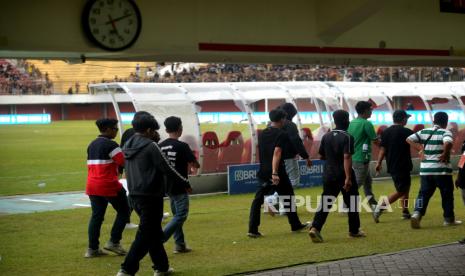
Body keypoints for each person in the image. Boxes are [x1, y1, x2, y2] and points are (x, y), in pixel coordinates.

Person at [117, 113, 173, 276]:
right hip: (150, 196)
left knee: (153, 232)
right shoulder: (151, 146)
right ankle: (127, 269)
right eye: (154, 130)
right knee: (146, 234)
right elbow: (166, 168)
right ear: (149, 130)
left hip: (134, 195)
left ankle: (162, 267)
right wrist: (184, 182)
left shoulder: (127, 144)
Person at [248, 109, 309, 238]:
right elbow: (277, 152)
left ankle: (294, 224)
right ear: (282, 119)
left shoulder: (263, 133)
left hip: (264, 170)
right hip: (276, 172)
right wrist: (275, 173)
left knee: (264, 199)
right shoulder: (282, 134)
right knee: (286, 197)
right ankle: (294, 224)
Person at [308, 110, 364, 243]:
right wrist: (348, 178)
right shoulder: (347, 137)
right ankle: (354, 231)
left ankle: (315, 228)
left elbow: (321, 156)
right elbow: (347, 157)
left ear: (334, 121)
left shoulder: (326, 136)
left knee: (326, 202)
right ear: (347, 121)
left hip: (328, 173)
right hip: (343, 174)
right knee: (352, 202)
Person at [407, 112, 462, 229]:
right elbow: (448, 142)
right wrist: (445, 152)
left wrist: (420, 149)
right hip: (442, 171)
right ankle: (448, 220)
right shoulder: (446, 132)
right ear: (446, 122)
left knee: (423, 194)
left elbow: (408, 139)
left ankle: (417, 214)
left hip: (426, 171)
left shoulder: (424, 132)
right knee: (447, 195)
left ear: (434, 120)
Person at [85, 118, 129, 258]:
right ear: (108, 129)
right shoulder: (112, 145)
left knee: (96, 217)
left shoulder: (91, 144)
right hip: (108, 184)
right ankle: (114, 242)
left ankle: (92, 249)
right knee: (124, 211)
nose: (116, 131)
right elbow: (124, 162)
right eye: (115, 129)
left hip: (92, 185)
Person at [159, 116, 200, 253]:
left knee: (176, 214)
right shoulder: (182, 146)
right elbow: (195, 164)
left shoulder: (160, 145)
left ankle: (179, 244)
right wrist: (195, 164)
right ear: (180, 129)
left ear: (166, 129)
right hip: (180, 184)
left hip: (166, 186)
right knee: (181, 215)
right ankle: (161, 239)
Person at [373, 110, 414, 222]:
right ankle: (380, 207)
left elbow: (382, 149)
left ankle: (405, 212)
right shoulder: (407, 132)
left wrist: (379, 162)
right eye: (406, 118)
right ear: (403, 119)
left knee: (405, 188)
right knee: (402, 190)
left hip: (392, 165)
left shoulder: (386, 132)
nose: (407, 120)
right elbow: (417, 143)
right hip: (403, 165)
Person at [348, 101, 379, 208]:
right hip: (362, 157)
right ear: (365, 111)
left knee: (367, 181)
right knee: (358, 183)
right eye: (370, 109)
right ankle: (346, 205)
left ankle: (373, 203)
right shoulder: (366, 124)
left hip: (353, 157)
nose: (371, 112)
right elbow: (375, 140)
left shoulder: (352, 123)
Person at [278, 103, 312, 187]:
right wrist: (305, 157)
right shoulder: (290, 125)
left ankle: (280, 198)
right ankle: (275, 197)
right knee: (293, 181)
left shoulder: (273, 124)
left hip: (275, 157)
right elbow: (296, 141)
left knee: (282, 180)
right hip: (287, 156)